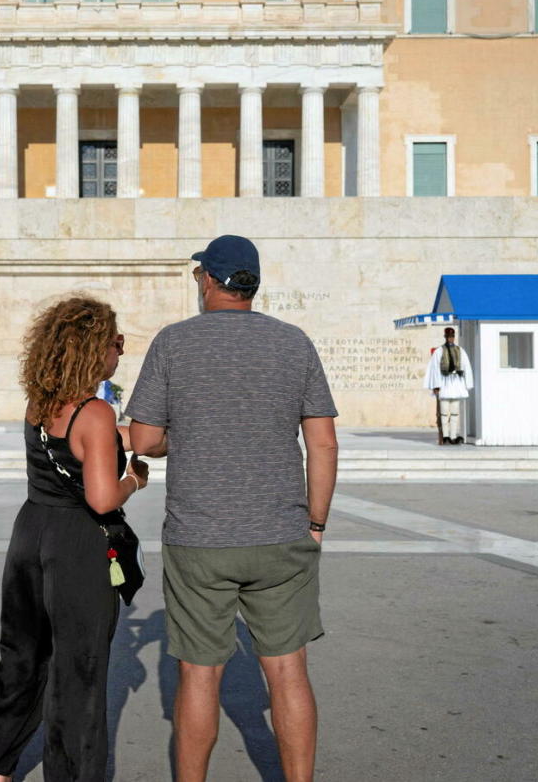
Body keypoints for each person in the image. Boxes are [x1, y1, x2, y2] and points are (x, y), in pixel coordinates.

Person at [125, 234, 339, 782]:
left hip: (200, 538)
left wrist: (184, 435)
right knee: (288, 673)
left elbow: (145, 439)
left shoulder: (174, 343)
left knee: (198, 677)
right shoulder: (294, 343)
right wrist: (315, 523)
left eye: (198, 275)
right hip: (282, 532)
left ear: (209, 280)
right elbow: (323, 443)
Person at [0, 295, 150, 782]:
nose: (120, 352)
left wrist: (124, 436)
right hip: (75, 546)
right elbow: (102, 499)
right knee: (77, 674)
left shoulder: (39, 404)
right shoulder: (96, 413)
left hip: (30, 533)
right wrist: (136, 481)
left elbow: (72, 445)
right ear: (91, 348)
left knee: (23, 655)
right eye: (115, 341)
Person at [424, 326, 474, 445]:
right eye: (448, 337)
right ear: (445, 337)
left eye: (452, 336)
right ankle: (445, 436)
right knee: (444, 412)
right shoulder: (439, 351)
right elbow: (435, 369)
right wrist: (436, 386)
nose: (451, 339)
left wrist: (468, 384)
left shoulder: (460, 350)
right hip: (444, 383)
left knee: (455, 411)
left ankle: (453, 436)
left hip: (456, 383)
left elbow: (466, 366)